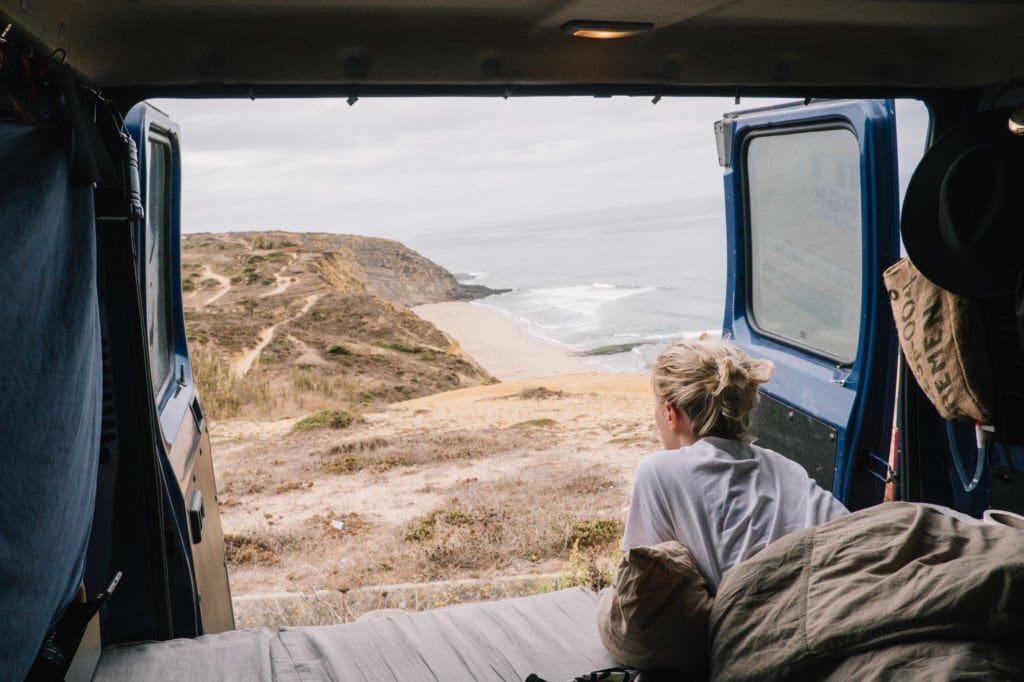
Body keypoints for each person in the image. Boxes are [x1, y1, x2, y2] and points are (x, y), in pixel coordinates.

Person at [622, 338, 849, 590]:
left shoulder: (658, 472)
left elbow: (639, 589)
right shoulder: (785, 467)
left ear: (670, 413)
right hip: (847, 585)